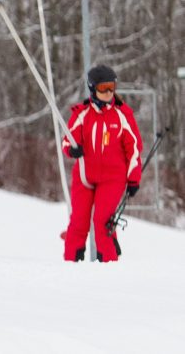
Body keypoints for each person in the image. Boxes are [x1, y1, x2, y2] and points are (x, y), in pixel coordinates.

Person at [62, 64, 142, 262]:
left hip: (112, 178)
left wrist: (133, 179)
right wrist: (72, 149)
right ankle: (71, 263)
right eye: (103, 88)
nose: (108, 93)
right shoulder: (81, 113)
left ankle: (108, 265)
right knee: (78, 223)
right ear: (92, 89)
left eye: (111, 87)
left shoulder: (122, 115)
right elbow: (67, 139)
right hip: (84, 176)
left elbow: (134, 148)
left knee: (102, 221)